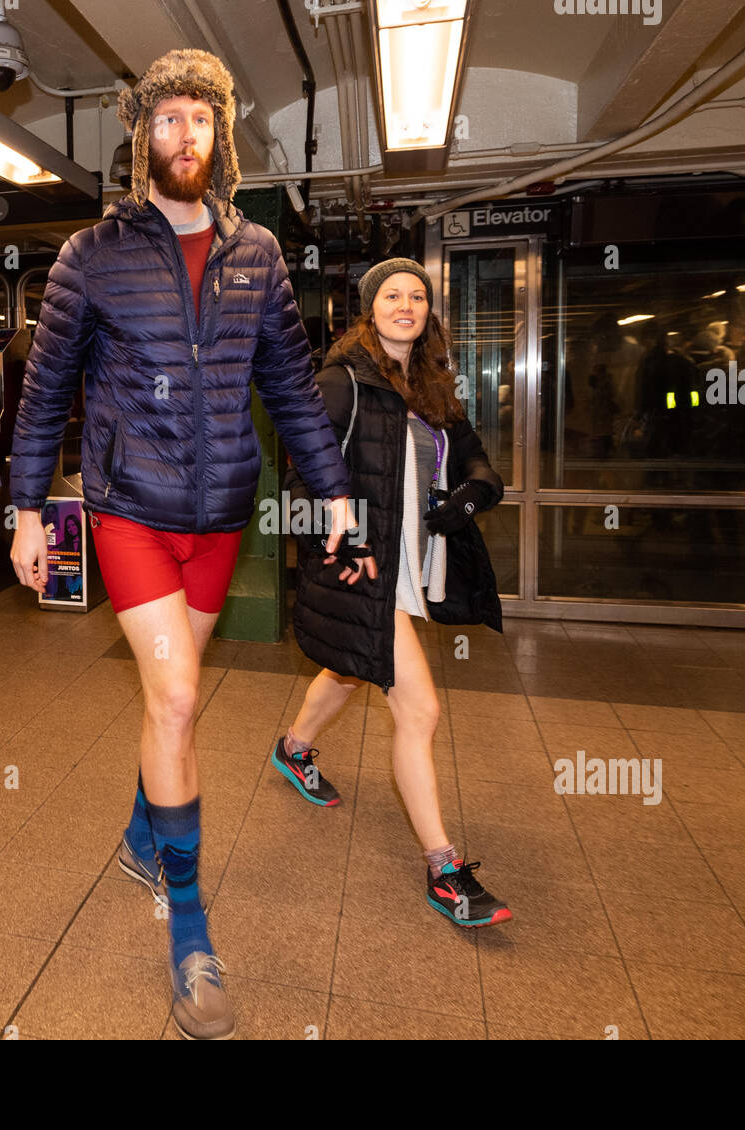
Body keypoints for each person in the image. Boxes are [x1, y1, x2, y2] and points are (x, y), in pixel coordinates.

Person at [9, 48, 358, 1040]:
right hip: (128, 506)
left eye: (200, 118)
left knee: (175, 700)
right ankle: (191, 933)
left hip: (219, 515)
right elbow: (47, 391)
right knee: (171, 697)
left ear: (221, 135)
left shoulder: (259, 257)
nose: (184, 135)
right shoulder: (92, 254)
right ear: (141, 138)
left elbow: (291, 386)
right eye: (166, 119)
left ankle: (137, 829)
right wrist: (28, 508)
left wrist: (330, 492)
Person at [279, 259, 511, 928]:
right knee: (421, 710)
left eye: (416, 295)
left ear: (427, 311)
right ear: (369, 309)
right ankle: (444, 870)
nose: (405, 304)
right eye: (391, 295)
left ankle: (293, 748)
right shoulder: (342, 380)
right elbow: (301, 478)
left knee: (350, 670)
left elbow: (474, 459)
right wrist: (339, 537)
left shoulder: (433, 388)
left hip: (413, 563)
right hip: (362, 566)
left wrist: (473, 494)